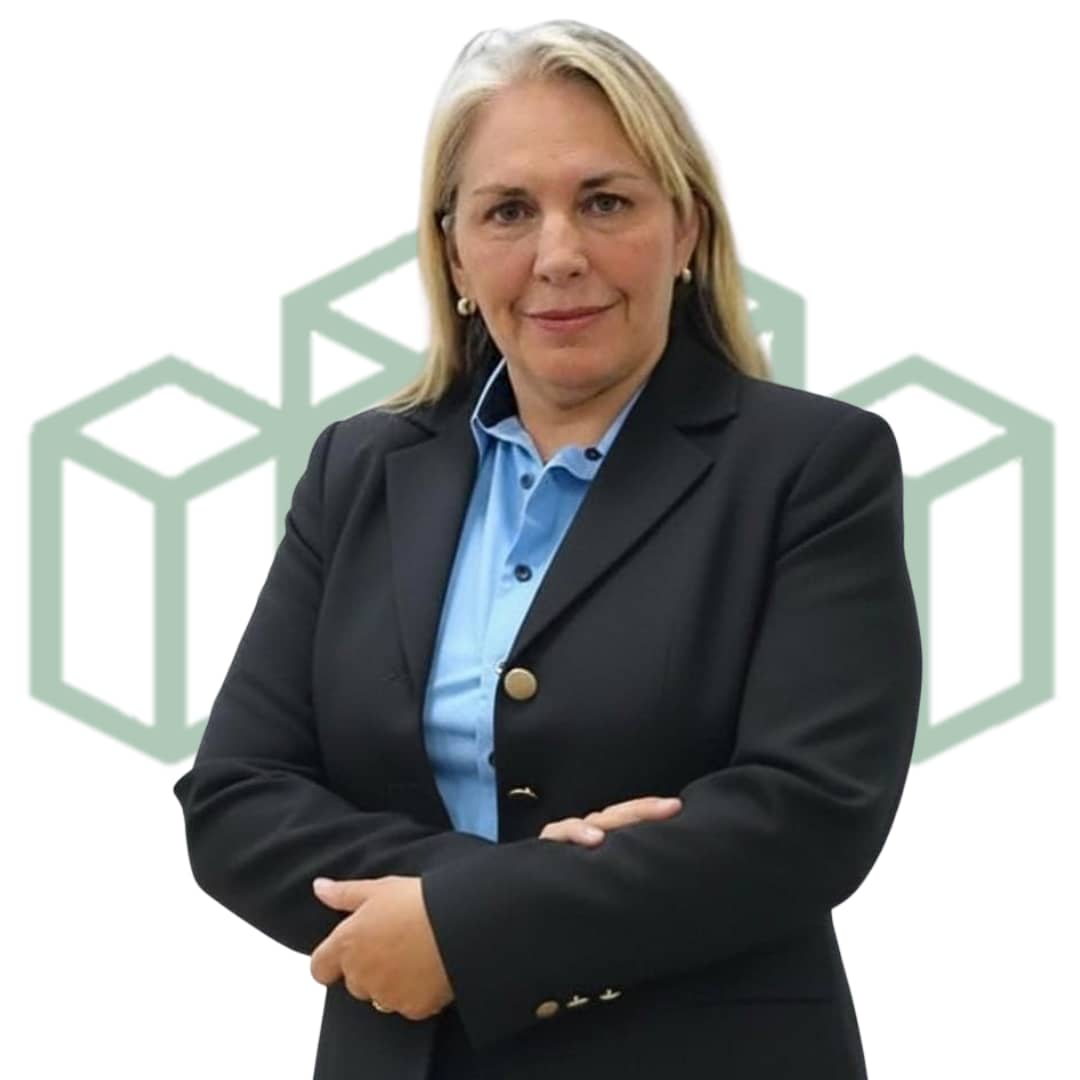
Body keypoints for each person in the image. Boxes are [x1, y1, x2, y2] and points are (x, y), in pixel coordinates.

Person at [173, 18, 921, 1080]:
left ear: (686, 229)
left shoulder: (812, 466)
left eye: (606, 202)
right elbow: (238, 796)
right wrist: (463, 916)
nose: (559, 254)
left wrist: (467, 927)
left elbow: (808, 812)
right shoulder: (360, 470)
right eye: (509, 211)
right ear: (455, 252)